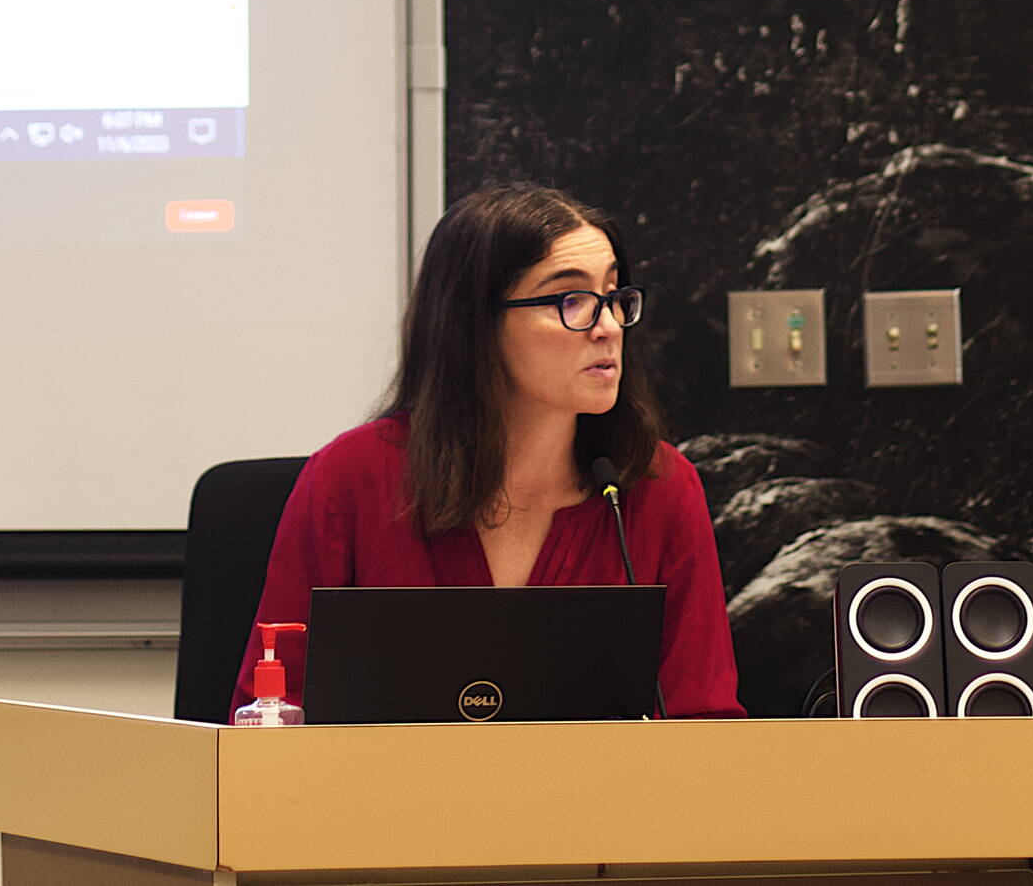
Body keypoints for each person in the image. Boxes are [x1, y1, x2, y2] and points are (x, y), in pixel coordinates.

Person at [232, 185, 745, 719]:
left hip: (598, 802)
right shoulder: (352, 479)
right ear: (474, 323)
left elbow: (703, 722)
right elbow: (269, 717)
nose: (609, 327)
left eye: (615, 297)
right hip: (390, 800)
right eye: (571, 301)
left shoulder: (655, 483)